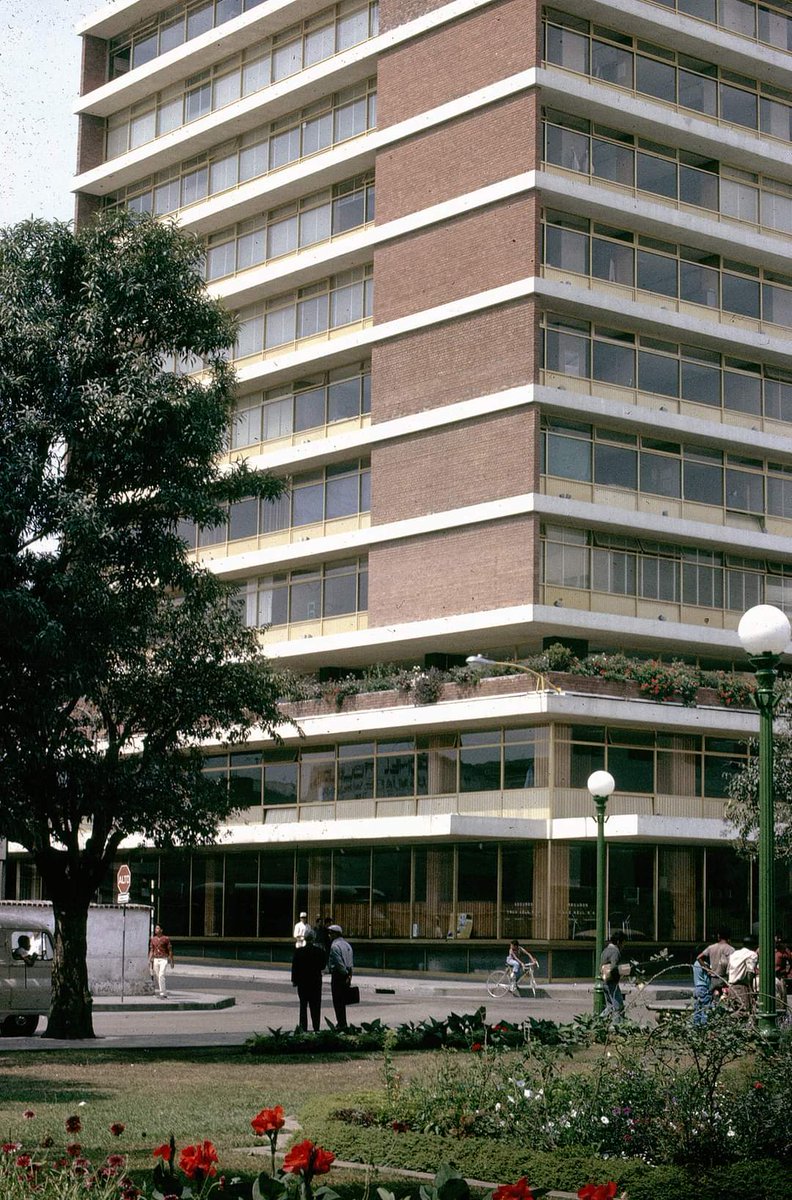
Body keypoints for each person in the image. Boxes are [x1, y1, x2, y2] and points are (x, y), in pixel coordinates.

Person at [291, 929, 327, 1031]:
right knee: (315, 1005)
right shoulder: (320, 951)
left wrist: (294, 980)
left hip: (303, 982)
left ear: (304, 938)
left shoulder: (299, 952)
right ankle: (316, 1026)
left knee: (303, 1006)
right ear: (314, 938)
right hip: (315, 981)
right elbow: (323, 966)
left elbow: (295, 967)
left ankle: (303, 1027)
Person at [327, 923, 354, 1031]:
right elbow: (351, 962)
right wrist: (350, 975)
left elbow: (339, 963)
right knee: (343, 1000)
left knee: (337, 1000)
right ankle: (343, 1022)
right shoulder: (347, 945)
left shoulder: (334, 946)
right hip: (347, 973)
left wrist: (345, 973)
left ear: (335, 934)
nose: (329, 936)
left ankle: (341, 1023)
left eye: (330, 933)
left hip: (338, 975)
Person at [696, 930, 734, 999]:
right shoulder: (730, 949)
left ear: (718, 936)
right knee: (725, 998)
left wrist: (707, 969)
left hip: (713, 978)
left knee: (713, 998)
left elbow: (699, 957)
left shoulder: (711, 947)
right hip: (724, 979)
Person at [727, 935, 758, 1016]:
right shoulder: (752, 954)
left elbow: (728, 971)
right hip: (742, 987)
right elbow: (750, 972)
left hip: (731, 986)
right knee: (744, 1013)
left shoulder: (735, 953)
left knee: (735, 1011)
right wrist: (751, 990)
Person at [599, 932, 626, 1023]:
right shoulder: (615, 951)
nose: (623, 945)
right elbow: (614, 968)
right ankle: (617, 1027)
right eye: (623, 943)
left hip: (604, 981)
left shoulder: (605, 950)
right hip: (612, 982)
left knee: (609, 1007)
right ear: (618, 942)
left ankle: (599, 1021)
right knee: (618, 1007)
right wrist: (622, 971)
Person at [148, 924, 174, 999]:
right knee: (157, 976)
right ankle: (162, 991)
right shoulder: (153, 939)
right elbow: (151, 950)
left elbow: (170, 950)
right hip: (156, 959)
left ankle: (163, 993)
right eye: (156, 928)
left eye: (158, 928)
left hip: (163, 959)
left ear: (161, 930)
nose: (156, 930)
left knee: (161, 975)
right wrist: (149, 959)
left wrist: (172, 961)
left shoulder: (166, 939)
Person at [692, 951, 713, 1026]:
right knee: (705, 1010)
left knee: (697, 1010)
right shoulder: (705, 965)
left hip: (697, 987)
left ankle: (696, 1027)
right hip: (704, 988)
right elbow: (707, 979)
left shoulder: (695, 964)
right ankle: (704, 1028)